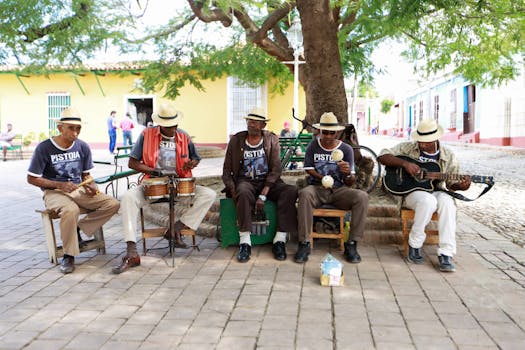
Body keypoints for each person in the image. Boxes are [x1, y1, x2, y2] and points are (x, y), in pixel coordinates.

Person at [112, 102, 216, 274]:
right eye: (168, 126)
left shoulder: (184, 136)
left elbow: (196, 158)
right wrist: (154, 171)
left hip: (180, 185)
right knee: (128, 197)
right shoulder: (146, 135)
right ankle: (131, 251)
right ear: (160, 124)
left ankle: (177, 228)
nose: (173, 129)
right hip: (153, 185)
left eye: (174, 125)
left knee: (209, 194)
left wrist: (192, 163)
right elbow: (132, 162)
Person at [27, 107, 120, 274]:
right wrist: (59, 185)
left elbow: (86, 174)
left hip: (78, 190)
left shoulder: (82, 147)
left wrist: (91, 185)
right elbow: (31, 178)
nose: (75, 132)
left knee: (113, 204)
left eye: (78, 128)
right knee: (71, 210)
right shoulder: (44, 148)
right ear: (60, 127)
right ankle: (69, 255)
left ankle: (78, 229)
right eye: (71, 128)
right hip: (53, 192)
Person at [377, 119, 471, 272]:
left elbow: (450, 185)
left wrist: (461, 186)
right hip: (412, 193)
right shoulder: (407, 147)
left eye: (426, 142)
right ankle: (415, 244)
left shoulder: (448, 155)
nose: (422, 144)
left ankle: (446, 253)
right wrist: (405, 164)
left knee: (448, 203)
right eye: (420, 141)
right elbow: (382, 156)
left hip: (436, 190)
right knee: (428, 201)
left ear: (435, 139)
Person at [222, 107, 298, 262]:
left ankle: (280, 240)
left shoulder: (271, 139)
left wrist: (264, 193)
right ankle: (245, 242)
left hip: (268, 182)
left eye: (256, 122)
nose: (252, 124)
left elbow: (276, 169)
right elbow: (226, 170)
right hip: (245, 182)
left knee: (290, 191)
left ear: (263, 125)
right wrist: (232, 188)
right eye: (250, 121)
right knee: (242, 191)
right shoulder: (236, 140)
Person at [295, 112, 369, 264]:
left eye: (331, 132)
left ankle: (352, 243)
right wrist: (322, 178)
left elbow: (350, 181)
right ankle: (304, 242)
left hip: (339, 190)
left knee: (362, 197)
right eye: (325, 132)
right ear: (319, 131)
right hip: (317, 188)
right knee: (304, 194)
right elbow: (308, 168)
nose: (328, 136)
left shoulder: (347, 150)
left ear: (337, 132)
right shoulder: (313, 146)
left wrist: (348, 173)